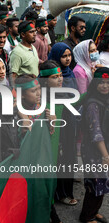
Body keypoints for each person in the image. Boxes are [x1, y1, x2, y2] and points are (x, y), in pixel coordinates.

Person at [39, 60, 78, 208]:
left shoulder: (61, 92)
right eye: (55, 77)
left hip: (61, 139)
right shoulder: (40, 98)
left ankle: (56, 197)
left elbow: (73, 103)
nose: (60, 79)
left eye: (61, 75)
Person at [79, 67, 109, 223]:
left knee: (103, 181)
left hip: (105, 147)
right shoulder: (92, 104)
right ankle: (87, 215)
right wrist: (105, 155)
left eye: (107, 83)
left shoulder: (105, 99)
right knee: (95, 181)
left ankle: (95, 210)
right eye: (100, 83)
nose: (104, 86)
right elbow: (95, 132)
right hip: (94, 149)